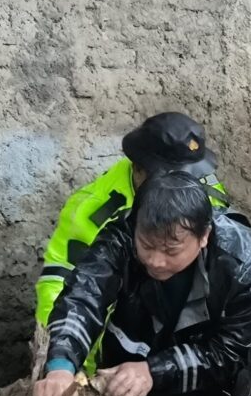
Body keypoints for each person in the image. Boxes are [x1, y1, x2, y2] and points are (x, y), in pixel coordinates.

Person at [35, 171, 251, 396]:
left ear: (204, 236)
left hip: (237, 366)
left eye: (171, 251)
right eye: (146, 245)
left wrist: (154, 371)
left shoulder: (241, 261)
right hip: (146, 346)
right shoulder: (120, 237)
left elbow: (231, 351)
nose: (156, 261)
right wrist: (61, 366)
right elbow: (83, 298)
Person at [35, 113, 226, 332]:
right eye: (172, 177)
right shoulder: (93, 213)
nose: (181, 187)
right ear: (138, 169)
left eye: (190, 176)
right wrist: (72, 359)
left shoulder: (205, 188)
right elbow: (62, 286)